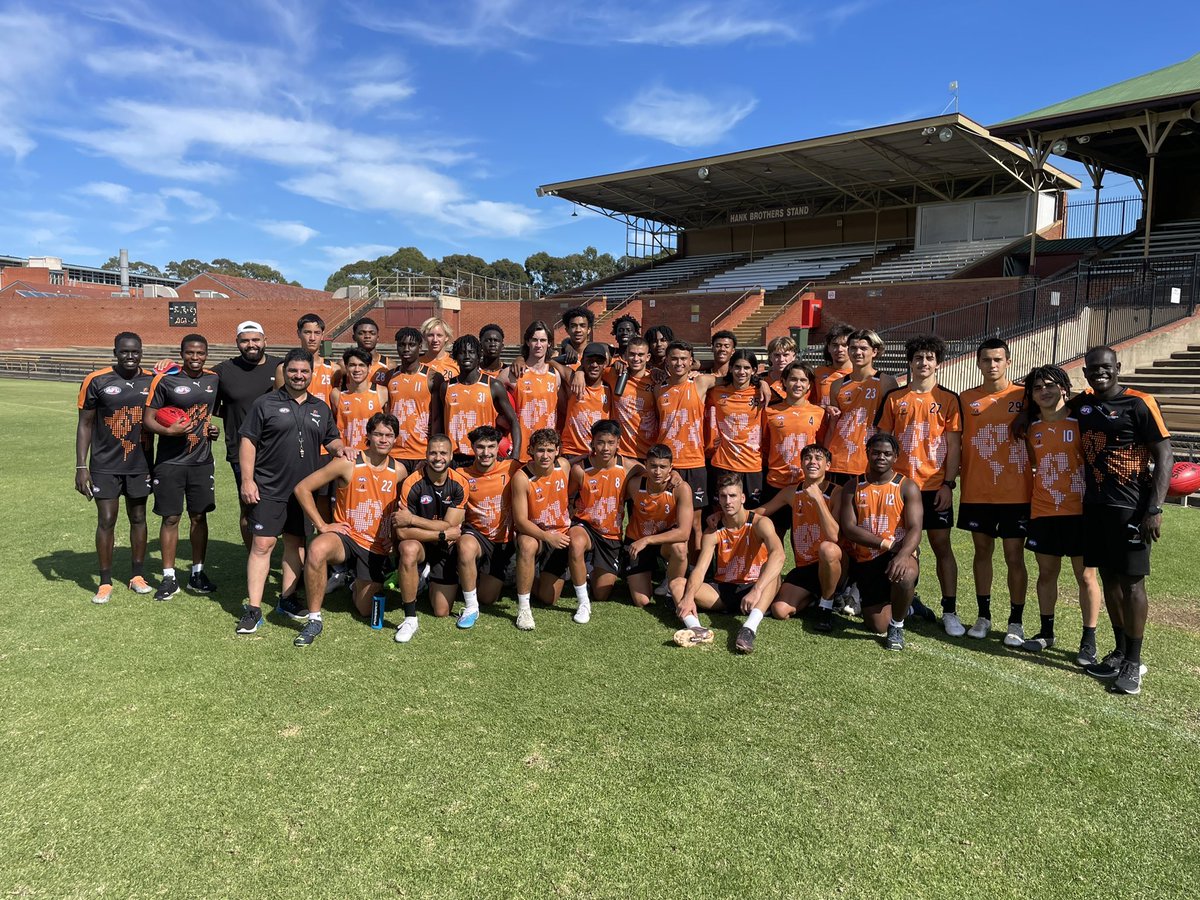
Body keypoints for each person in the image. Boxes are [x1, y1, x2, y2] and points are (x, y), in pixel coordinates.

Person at [1073, 346, 1171, 695]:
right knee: (1110, 579)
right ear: (1085, 374)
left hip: (1132, 508)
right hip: (1096, 505)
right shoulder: (1082, 406)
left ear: (1118, 368)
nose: (1100, 373)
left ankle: (1134, 660)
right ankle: (1118, 650)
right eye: (1093, 369)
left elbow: (1164, 454)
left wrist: (1155, 509)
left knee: (1132, 583)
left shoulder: (1140, 402)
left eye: (1106, 368)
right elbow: (1048, 402)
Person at [235, 349, 346, 635]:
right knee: (262, 544)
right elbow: (248, 441)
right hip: (269, 487)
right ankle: (254, 609)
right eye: (294, 371)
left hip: (303, 491)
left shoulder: (320, 407)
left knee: (296, 544)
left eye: (304, 371)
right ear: (285, 372)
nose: (299, 376)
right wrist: (248, 480)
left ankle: (286, 598)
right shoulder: (265, 403)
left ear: (312, 373)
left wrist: (339, 448)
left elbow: (331, 438)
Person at [291, 413, 404, 647]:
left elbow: (400, 510)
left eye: (389, 435)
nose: (383, 439)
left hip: (375, 545)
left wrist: (393, 540)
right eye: (378, 434)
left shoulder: (400, 471)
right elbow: (302, 488)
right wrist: (322, 525)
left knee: (364, 609)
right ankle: (314, 618)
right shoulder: (348, 462)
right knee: (317, 549)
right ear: (368, 436)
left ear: (395, 439)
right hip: (346, 536)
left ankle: (354, 582)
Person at [876, 335, 963, 635]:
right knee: (903, 545)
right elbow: (883, 443)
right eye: (918, 358)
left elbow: (953, 446)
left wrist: (948, 485)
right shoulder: (895, 398)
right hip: (900, 486)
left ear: (938, 363)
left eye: (929, 358)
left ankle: (950, 610)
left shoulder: (949, 399)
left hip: (934, 486)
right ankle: (906, 600)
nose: (923, 363)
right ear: (910, 362)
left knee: (942, 546)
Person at [1021, 365, 1101, 664]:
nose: (1045, 391)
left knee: (1086, 576)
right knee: (1046, 574)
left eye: (1050, 385)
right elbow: (1034, 465)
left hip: (1080, 510)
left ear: (1065, 388)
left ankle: (1088, 640)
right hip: (1043, 510)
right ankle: (1046, 632)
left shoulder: (1081, 422)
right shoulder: (1031, 429)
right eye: (1038, 387)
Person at [957, 338, 1032, 644]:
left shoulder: (1026, 396)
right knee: (982, 553)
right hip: (977, 491)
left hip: (1016, 492)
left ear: (1009, 362)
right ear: (978, 363)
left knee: (1014, 556)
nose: (992, 365)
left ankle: (1015, 622)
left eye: (998, 360)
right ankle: (983, 616)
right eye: (986, 360)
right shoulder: (965, 399)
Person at [75, 332, 155, 603]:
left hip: (140, 463)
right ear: (115, 352)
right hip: (105, 464)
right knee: (107, 520)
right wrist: (80, 466)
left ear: (141, 352)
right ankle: (105, 581)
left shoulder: (152, 380)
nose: (130, 356)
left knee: (138, 518)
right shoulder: (96, 380)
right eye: (124, 352)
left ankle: (137, 576)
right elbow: (85, 424)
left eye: (135, 352)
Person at [143, 333, 220, 601]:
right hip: (171, 462)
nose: (195, 358)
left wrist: (212, 430)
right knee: (171, 517)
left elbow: (210, 416)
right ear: (182, 354)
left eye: (200, 353)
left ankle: (197, 573)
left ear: (206, 354)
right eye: (190, 353)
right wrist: (171, 431)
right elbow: (148, 420)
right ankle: (169, 577)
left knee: (199, 516)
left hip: (201, 460)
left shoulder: (213, 379)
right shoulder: (166, 380)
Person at [674, 473, 785, 654]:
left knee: (772, 569)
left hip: (754, 589)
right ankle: (697, 629)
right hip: (723, 591)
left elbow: (779, 555)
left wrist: (757, 589)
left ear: (742, 498)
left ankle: (749, 629)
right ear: (718, 499)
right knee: (677, 584)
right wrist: (687, 597)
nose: (728, 501)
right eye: (723, 496)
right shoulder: (713, 531)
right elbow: (701, 569)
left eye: (733, 496)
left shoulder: (760, 523)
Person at [838, 432, 923, 650]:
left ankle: (898, 625)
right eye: (876, 452)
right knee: (877, 625)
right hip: (867, 559)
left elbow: (915, 528)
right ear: (867, 453)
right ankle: (910, 606)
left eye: (887, 453)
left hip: (898, 552)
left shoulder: (907, 486)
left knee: (905, 574)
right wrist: (885, 544)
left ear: (896, 456)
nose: (881, 457)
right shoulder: (852, 486)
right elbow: (849, 528)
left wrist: (903, 554)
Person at [391, 434, 469, 642]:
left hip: (444, 548)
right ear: (425, 455)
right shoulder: (411, 483)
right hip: (421, 544)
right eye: (433, 452)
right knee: (408, 549)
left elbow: (450, 525)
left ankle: (423, 577)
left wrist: (413, 519)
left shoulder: (460, 483)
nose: (438, 457)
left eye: (443, 453)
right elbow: (402, 532)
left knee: (442, 611)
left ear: (451, 455)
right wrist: (442, 533)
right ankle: (410, 618)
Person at [757, 444, 843, 631]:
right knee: (779, 610)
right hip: (805, 567)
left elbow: (834, 536)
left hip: (830, 563)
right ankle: (814, 597)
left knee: (828, 549)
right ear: (801, 464)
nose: (812, 462)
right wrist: (727, 516)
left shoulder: (837, 492)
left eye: (818, 458)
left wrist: (818, 499)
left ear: (827, 465)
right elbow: (761, 512)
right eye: (808, 458)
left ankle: (826, 605)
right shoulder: (791, 492)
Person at [213, 321, 282, 548]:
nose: (251, 345)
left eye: (255, 339)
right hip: (240, 451)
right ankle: (253, 556)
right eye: (245, 340)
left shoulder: (279, 367)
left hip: (277, 450)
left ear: (265, 340)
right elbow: (203, 395)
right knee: (249, 505)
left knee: (285, 505)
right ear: (237, 343)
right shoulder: (224, 370)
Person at [566, 420, 631, 623]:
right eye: (600, 442)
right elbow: (567, 496)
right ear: (592, 443)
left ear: (618, 443)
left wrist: (674, 475)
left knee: (602, 593)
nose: (605, 448)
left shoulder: (629, 468)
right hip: (585, 525)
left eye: (610, 442)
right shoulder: (580, 469)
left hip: (610, 535)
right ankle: (583, 602)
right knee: (576, 543)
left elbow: (656, 475)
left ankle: (587, 566)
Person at [455, 425, 521, 628]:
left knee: (488, 598)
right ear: (472, 447)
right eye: (481, 447)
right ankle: (471, 607)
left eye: (491, 447)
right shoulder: (460, 473)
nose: (486, 453)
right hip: (476, 535)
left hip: (503, 541)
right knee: (465, 546)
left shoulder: (513, 468)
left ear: (498, 448)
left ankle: (470, 580)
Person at [655, 341, 717, 552]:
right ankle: (670, 568)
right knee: (669, 519)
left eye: (684, 359)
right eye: (674, 358)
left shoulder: (700, 383)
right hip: (668, 464)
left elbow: (734, 376)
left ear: (691, 362)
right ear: (667, 361)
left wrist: (761, 382)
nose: (679, 363)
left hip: (695, 463)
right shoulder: (658, 390)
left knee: (696, 523)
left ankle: (696, 570)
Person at [511, 428, 573, 630]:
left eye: (549, 450)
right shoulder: (521, 477)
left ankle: (522, 575)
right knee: (527, 545)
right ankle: (524, 609)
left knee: (549, 598)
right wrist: (547, 537)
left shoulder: (563, 466)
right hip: (535, 534)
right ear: (530, 450)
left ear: (557, 451)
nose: (544, 456)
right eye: (539, 450)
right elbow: (520, 521)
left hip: (560, 534)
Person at [431, 335, 521, 466]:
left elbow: (513, 421)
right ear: (455, 357)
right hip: (454, 458)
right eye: (462, 352)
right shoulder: (446, 387)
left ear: (479, 355)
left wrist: (515, 456)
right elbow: (439, 422)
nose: (467, 356)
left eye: (472, 352)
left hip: (483, 456)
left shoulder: (493, 385)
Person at [623, 443, 692, 610]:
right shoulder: (634, 484)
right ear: (645, 465)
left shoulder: (680, 488)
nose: (657, 471)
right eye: (653, 466)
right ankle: (639, 571)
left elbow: (683, 533)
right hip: (637, 540)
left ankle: (672, 589)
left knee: (680, 549)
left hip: (662, 541)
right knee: (642, 601)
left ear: (671, 468)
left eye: (663, 467)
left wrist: (647, 540)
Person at [761, 362, 826, 541]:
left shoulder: (819, 412)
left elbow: (820, 445)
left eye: (803, 380)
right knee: (774, 535)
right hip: (776, 482)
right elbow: (764, 444)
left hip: (804, 483)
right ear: (783, 382)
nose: (798, 384)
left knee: (804, 536)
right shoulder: (769, 411)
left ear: (809, 385)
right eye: (793, 379)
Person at [826, 329, 897, 485]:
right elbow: (833, 425)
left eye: (863, 348)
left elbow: (889, 425)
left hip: (869, 460)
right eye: (853, 348)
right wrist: (826, 456)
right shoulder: (837, 385)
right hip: (839, 459)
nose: (857, 352)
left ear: (874, 351)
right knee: (837, 508)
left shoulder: (886, 382)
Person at [707, 349, 765, 508]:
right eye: (737, 367)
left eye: (747, 368)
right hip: (723, 463)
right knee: (721, 514)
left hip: (752, 464)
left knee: (750, 517)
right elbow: (703, 380)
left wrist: (763, 383)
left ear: (754, 370)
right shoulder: (717, 392)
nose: (742, 372)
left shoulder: (762, 393)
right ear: (731, 368)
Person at [505, 320, 567, 462]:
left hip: (547, 450)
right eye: (534, 340)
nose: (538, 345)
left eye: (543, 340)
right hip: (520, 448)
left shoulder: (555, 374)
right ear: (527, 342)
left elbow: (563, 411)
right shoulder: (512, 373)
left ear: (549, 343)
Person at [385, 327, 436, 473]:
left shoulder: (432, 377)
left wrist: (431, 448)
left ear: (420, 347)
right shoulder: (390, 376)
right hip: (395, 451)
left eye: (411, 345)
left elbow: (437, 417)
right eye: (402, 345)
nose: (406, 349)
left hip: (422, 451)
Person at [606, 335, 658, 462]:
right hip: (621, 452)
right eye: (632, 354)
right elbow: (590, 366)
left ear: (648, 357)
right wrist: (579, 372)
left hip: (648, 453)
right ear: (625, 355)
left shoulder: (656, 380)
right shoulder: (614, 374)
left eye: (640, 355)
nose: (636, 359)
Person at [331, 347, 389, 452]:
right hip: (346, 455)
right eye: (352, 365)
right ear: (346, 367)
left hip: (372, 455)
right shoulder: (337, 394)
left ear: (369, 367)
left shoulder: (382, 392)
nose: (357, 370)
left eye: (361, 365)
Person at [561, 342, 613, 459]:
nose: (594, 365)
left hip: (598, 453)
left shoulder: (610, 388)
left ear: (605, 364)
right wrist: (579, 370)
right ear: (583, 361)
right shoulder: (573, 380)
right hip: (571, 451)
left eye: (599, 361)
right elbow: (550, 361)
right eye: (590, 360)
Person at [274, 313, 337, 408]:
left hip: (323, 421)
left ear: (322, 335)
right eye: (307, 332)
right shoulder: (283, 369)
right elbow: (278, 404)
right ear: (299, 333)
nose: (312, 338)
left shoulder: (334, 369)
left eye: (317, 333)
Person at [811, 324, 854, 405]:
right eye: (835, 345)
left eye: (844, 345)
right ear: (828, 348)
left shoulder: (860, 374)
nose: (839, 349)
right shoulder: (817, 373)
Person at [346, 316, 389, 386]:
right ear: (354, 337)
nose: (367, 336)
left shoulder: (389, 365)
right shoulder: (343, 365)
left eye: (372, 333)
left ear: (377, 337)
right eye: (362, 333)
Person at [762, 335, 797, 401]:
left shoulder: (802, 381)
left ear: (794, 356)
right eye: (777, 355)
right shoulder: (760, 380)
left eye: (785, 355)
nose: (781, 359)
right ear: (770, 357)